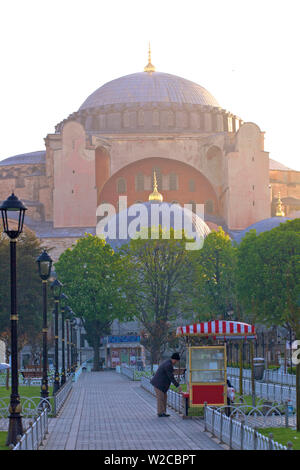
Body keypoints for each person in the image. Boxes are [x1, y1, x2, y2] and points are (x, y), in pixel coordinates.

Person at [150, 352, 183, 417]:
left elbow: (170, 373)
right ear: (173, 359)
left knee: (164, 398)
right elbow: (171, 377)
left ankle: (163, 412)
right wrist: (178, 386)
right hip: (158, 384)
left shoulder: (168, 363)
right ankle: (160, 413)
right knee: (161, 398)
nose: (176, 362)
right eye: (176, 361)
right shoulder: (168, 365)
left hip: (161, 385)